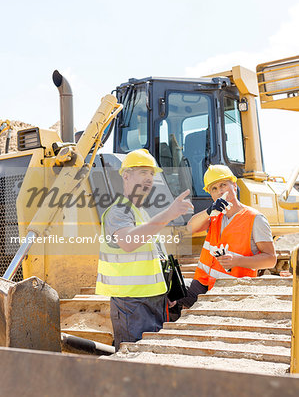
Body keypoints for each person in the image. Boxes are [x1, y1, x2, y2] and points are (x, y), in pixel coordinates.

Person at [95, 148, 194, 351]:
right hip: (132, 303)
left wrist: (164, 291)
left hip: (152, 299)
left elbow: (154, 257)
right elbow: (129, 242)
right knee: (134, 360)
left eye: (151, 174)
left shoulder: (141, 212)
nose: (149, 179)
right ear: (126, 175)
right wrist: (169, 214)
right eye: (143, 173)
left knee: (149, 357)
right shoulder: (118, 211)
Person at [178, 164, 277, 308]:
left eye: (223, 185)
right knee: (169, 294)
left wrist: (237, 261)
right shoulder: (214, 216)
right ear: (211, 194)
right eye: (214, 188)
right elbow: (190, 228)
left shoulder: (255, 219)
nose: (219, 191)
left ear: (234, 186)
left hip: (231, 291)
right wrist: (209, 211)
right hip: (202, 285)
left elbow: (270, 260)